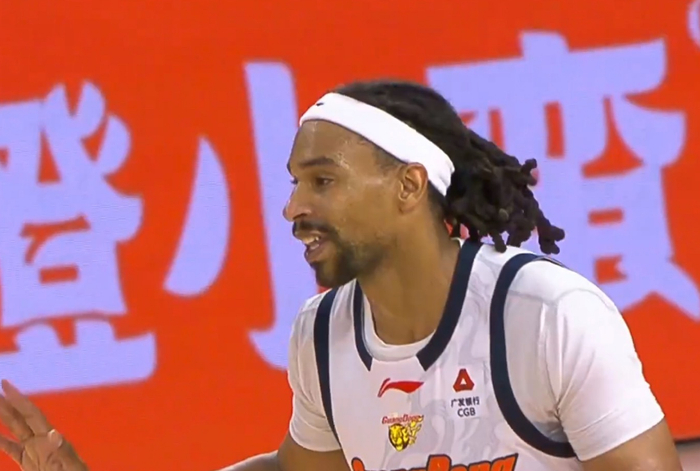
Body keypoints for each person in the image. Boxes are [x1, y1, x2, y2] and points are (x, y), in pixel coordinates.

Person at [0, 80, 683, 471]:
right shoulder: (321, 334)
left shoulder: (546, 315)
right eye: (295, 182)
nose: (294, 207)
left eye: (322, 181)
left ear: (409, 186)